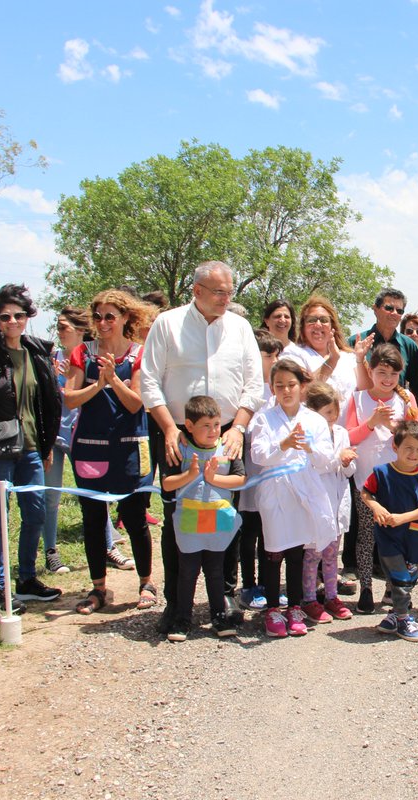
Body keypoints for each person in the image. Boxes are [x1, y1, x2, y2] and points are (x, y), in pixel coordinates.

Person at [140, 261, 264, 634]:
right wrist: (167, 429)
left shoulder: (240, 328)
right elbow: (149, 381)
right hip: (179, 432)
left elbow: (253, 385)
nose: (226, 298)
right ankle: (176, 603)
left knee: (223, 515)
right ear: (196, 291)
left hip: (227, 432)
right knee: (180, 515)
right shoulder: (168, 324)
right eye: (218, 292)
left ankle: (221, 597)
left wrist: (239, 428)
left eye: (230, 291)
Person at [0, 283, 63, 614]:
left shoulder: (37, 352)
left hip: (33, 447)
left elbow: (50, 401)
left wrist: (47, 442)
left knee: (35, 512)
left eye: (18, 315)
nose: (12, 322)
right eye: (5, 316)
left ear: (27, 317)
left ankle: (26, 580)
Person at [62, 290, 157, 614]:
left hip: (129, 446)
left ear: (125, 318)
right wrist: (98, 384)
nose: (102, 323)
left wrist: (113, 379)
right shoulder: (81, 353)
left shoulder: (138, 354)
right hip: (90, 447)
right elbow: (70, 398)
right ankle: (99, 589)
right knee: (92, 519)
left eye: (109, 317)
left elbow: (135, 402)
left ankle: (146, 582)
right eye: (98, 316)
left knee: (134, 518)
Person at [250, 360, 338, 637]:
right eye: (280, 386)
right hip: (275, 491)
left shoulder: (314, 420)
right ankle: (273, 608)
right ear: (272, 388)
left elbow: (327, 458)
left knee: (298, 551)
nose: (286, 390)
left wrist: (309, 447)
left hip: (305, 489)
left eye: (291, 385)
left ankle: (296, 607)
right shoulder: (264, 418)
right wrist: (284, 444)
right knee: (275, 549)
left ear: (302, 386)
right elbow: (258, 455)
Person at [161, 395, 245, 641]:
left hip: (217, 523)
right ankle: (182, 620)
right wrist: (190, 474)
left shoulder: (228, 448)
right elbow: (167, 483)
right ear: (189, 426)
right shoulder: (181, 449)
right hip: (189, 522)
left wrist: (213, 479)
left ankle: (218, 617)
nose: (213, 431)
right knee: (187, 571)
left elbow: (240, 479)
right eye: (205, 426)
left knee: (215, 571)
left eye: (216, 425)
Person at [346, 344, 418, 613]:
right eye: (381, 372)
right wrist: (372, 422)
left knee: (397, 536)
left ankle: (393, 588)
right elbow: (348, 437)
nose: (387, 379)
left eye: (393, 374)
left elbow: (417, 438)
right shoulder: (358, 398)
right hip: (367, 479)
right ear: (370, 370)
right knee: (367, 535)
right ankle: (366, 587)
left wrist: (393, 428)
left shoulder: (406, 398)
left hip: (399, 478)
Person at [360, 420, 418, 643]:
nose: (413, 454)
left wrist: (403, 517)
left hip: (415, 537)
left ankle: (394, 614)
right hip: (389, 537)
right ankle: (404, 618)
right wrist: (376, 507)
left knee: (407, 579)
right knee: (399, 577)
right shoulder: (382, 473)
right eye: (408, 448)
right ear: (395, 447)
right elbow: (366, 493)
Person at [234, 329, 284, 612]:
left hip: (273, 474)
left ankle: (268, 584)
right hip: (251, 472)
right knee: (249, 529)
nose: (274, 360)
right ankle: (248, 585)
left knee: (269, 530)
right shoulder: (248, 389)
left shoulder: (280, 389)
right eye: (268, 355)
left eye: (277, 354)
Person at [300, 381, 355, 623]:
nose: (333, 417)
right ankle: (309, 598)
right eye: (327, 413)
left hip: (337, 499)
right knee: (313, 554)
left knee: (332, 553)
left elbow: (349, 470)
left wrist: (346, 462)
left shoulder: (341, 433)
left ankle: (331, 596)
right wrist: (337, 458)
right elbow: (317, 465)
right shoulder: (306, 437)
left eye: (335, 412)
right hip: (317, 500)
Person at [42, 306, 88, 575]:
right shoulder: (50, 358)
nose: (59, 332)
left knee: (93, 495)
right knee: (51, 496)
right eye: (57, 327)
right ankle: (51, 552)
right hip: (54, 435)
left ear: (80, 331)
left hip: (83, 436)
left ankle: (108, 545)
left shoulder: (90, 358)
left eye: (64, 328)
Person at [347, 288, 418, 417]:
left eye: (399, 311)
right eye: (389, 308)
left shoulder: (409, 346)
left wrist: (416, 416)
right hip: (360, 416)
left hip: (396, 417)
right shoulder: (355, 342)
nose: (394, 313)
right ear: (375, 309)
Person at [283, 295, 360, 418]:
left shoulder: (348, 357)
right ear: (302, 327)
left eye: (324, 320)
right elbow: (300, 394)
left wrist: (361, 360)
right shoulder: (292, 354)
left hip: (346, 433)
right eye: (311, 320)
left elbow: (366, 391)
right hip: (311, 431)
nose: (318, 325)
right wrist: (331, 361)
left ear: (332, 326)